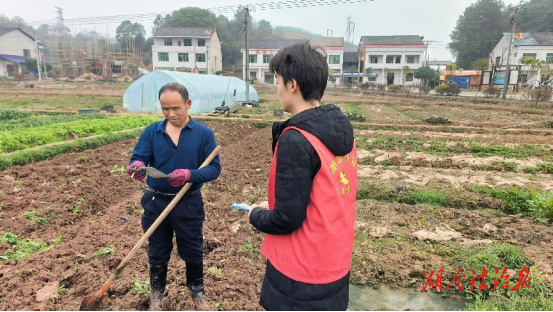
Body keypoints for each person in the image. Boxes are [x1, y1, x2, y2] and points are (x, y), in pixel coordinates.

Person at [248, 42, 358, 311]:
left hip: (300, 274)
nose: (276, 89)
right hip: (335, 261)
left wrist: (255, 214)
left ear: (292, 85)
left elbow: (286, 219)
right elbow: (320, 195)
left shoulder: (296, 139)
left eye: (278, 81)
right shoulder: (340, 131)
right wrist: (274, 205)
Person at [127, 83, 221, 310]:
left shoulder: (203, 134)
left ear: (188, 105)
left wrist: (190, 175)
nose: (171, 114)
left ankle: (197, 294)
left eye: (176, 108)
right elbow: (138, 156)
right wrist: (137, 166)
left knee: (192, 248)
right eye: (165, 109)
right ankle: (157, 298)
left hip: (187, 202)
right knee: (157, 250)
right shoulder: (152, 132)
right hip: (155, 202)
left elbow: (214, 169)